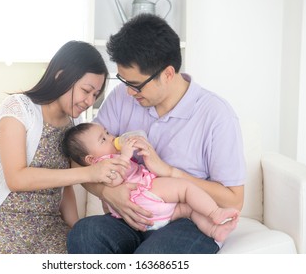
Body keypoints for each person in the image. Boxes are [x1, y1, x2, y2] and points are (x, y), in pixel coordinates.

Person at [67, 14, 246, 254]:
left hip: (186, 219)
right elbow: (82, 159)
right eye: (124, 81)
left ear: (168, 74)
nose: (129, 92)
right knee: (85, 233)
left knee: (151, 258)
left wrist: (171, 172)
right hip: (131, 216)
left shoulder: (216, 116)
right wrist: (109, 192)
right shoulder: (122, 96)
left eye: (136, 85)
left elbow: (233, 200)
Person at [0, 41, 130, 254]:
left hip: (46, 224)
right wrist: (88, 172)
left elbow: (66, 186)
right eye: (86, 91)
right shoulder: (18, 109)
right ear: (61, 76)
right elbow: (16, 179)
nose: (89, 101)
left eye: (95, 95)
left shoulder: (73, 127)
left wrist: (76, 228)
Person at [62, 122, 240, 242]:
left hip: (151, 213)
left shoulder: (107, 157)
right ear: (91, 159)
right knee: (185, 190)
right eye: (103, 139)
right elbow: (114, 179)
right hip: (141, 196)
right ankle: (215, 212)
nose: (111, 138)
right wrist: (125, 155)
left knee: (187, 209)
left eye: (107, 133)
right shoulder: (103, 165)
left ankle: (213, 230)